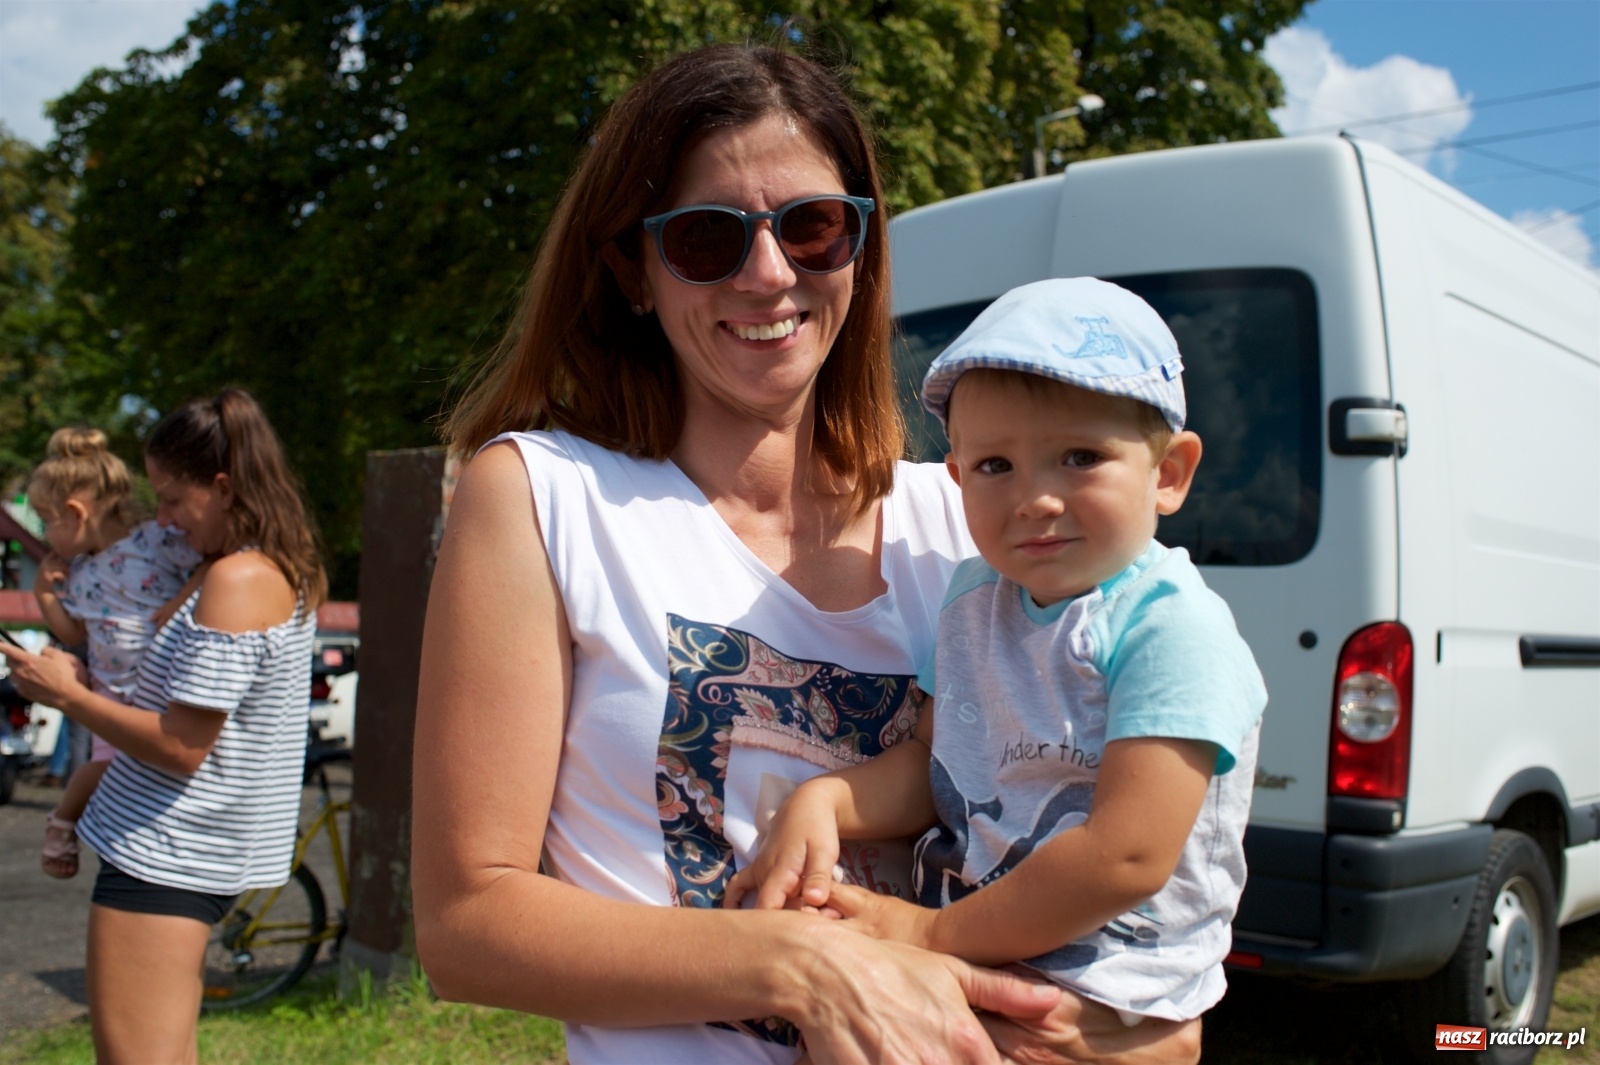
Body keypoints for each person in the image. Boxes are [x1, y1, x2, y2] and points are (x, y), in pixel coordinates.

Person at [414, 40, 1200, 1065]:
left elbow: (1122, 868)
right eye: (706, 238)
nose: (768, 271)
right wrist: (803, 964)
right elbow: (466, 926)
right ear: (633, 272)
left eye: (813, 226)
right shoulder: (545, 497)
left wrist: (1143, 1034)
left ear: (861, 252)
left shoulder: (978, 522)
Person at [726, 278, 1267, 1046]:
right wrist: (826, 802)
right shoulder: (974, 600)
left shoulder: (1173, 628)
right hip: (985, 945)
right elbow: (934, 760)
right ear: (956, 477)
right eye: (995, 466)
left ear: (1170, 473)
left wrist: (928, 934)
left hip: (1107, 979)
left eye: (1080, 457)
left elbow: (1126, 856)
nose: (1035, 498)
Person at [0, 389, 323, 1064]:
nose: (166, 522)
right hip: (187, 850)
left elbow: (181, 746)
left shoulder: (236, 579)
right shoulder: (269, 568)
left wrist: (67, 695)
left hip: (167, 849)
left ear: (223, 487)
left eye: (173, 500)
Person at [27, 426, 205, 879]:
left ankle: (64, 821)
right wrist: (45, 596)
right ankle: (65, 825)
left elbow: (211, 569)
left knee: (137, 766)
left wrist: (179, 599)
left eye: (46, 520)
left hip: (165, 689)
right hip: (112, 695)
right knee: (104, 766)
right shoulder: (81, 571)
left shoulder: (156, 543)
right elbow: (72, 631)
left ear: (74, 513)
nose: (46, 535)